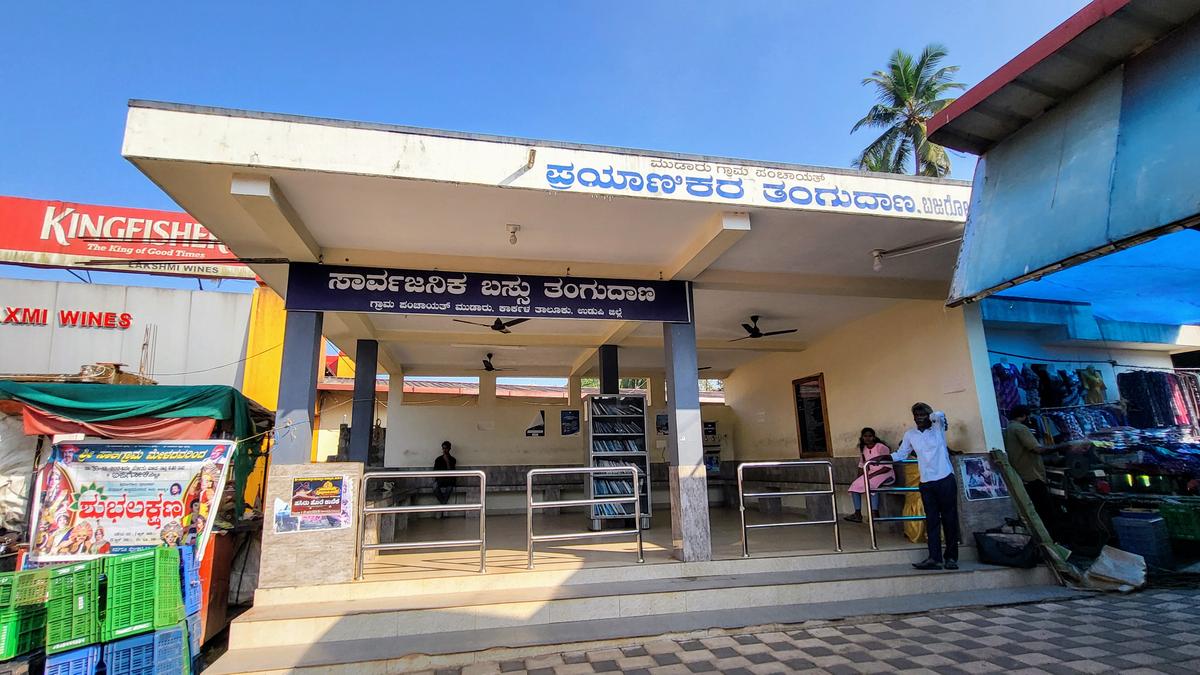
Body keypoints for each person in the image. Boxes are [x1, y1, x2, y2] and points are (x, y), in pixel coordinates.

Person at [878, 402, 959, 570]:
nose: (919, 418)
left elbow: (939, 415)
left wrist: (932, 416)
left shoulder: (937, 429)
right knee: (931, 520)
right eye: (916, 415)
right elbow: (901, 454)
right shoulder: (910, 434)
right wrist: (882, 459)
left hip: (945, 479)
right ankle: (934, 558)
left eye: (923, 415)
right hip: (926, 482)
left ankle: (951, 557)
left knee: (949, 519)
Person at [1004, 404, 1059, 530]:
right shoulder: (1020, 429)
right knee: (1045, 510)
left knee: (1035, 507)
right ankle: (1053, 538)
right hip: (1032, 475)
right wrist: (1063, 446)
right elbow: (1037, 449)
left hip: (1021, 474)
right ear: (1024, 416)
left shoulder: (1008, 429)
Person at [844, 428, 895, 523]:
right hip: (871, 474)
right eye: (865, 436)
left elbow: (887, 467)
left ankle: (874, 513)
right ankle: (857, 514)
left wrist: (872, 475)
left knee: (871, 485)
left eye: (870, 436)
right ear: (862, 437)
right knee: (854, 486)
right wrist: (859, 478)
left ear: (874, 437)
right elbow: (861, 465)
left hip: (886, 474)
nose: (868, 438)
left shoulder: (881, 447)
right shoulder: (864, 449)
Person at [433, 441, 458, 505]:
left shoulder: (452, 459)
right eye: (443, 448)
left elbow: (452, 472)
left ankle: (443, 504)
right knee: (434, 486)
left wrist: (447, 462)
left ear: (449, 449)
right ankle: (444, 503)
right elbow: (435, 471)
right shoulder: (438, 459)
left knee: (450, 487)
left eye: (446, 448)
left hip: (449, 480)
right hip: (440, 480)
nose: (444, 450)